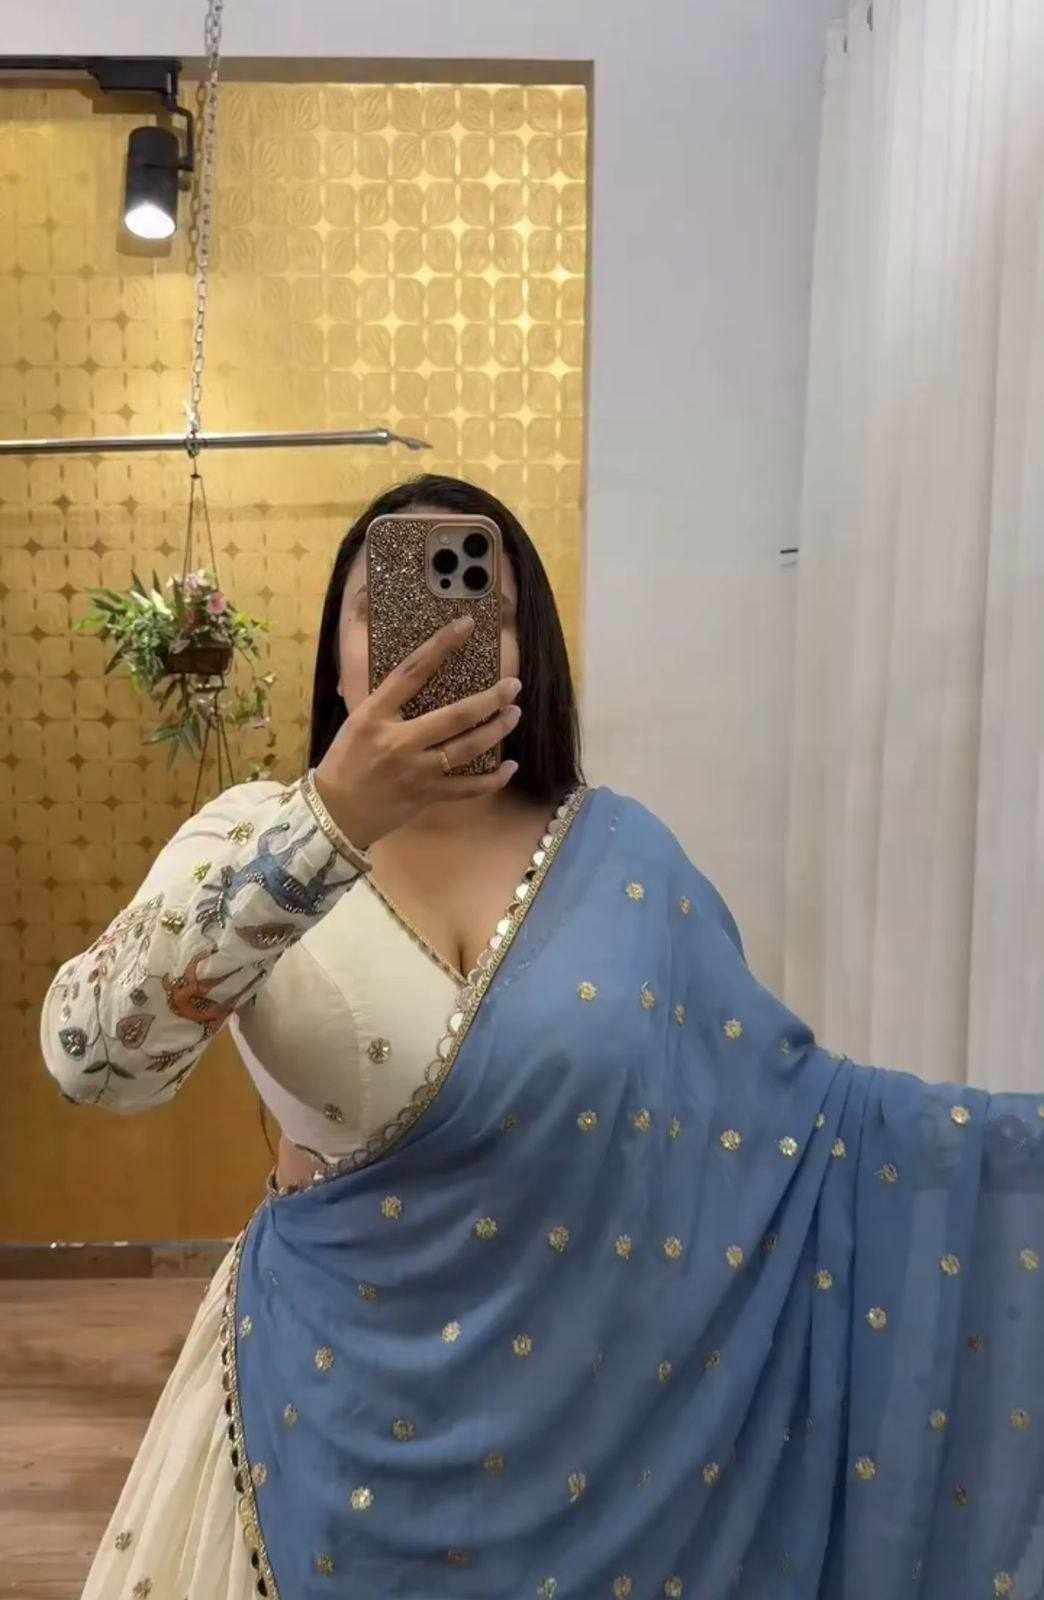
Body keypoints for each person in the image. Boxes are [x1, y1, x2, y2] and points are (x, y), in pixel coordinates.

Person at [39, 475, 1043, 1600]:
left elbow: (790, 1128)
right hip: (312, 1398)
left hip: (596, 1435)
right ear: (336, 657)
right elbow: (94, 1059)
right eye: (384, 607)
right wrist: (332, 824)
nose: (440, 634)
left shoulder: (625, 857)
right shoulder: (249, 835)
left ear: (531, 656)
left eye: (489, 609)